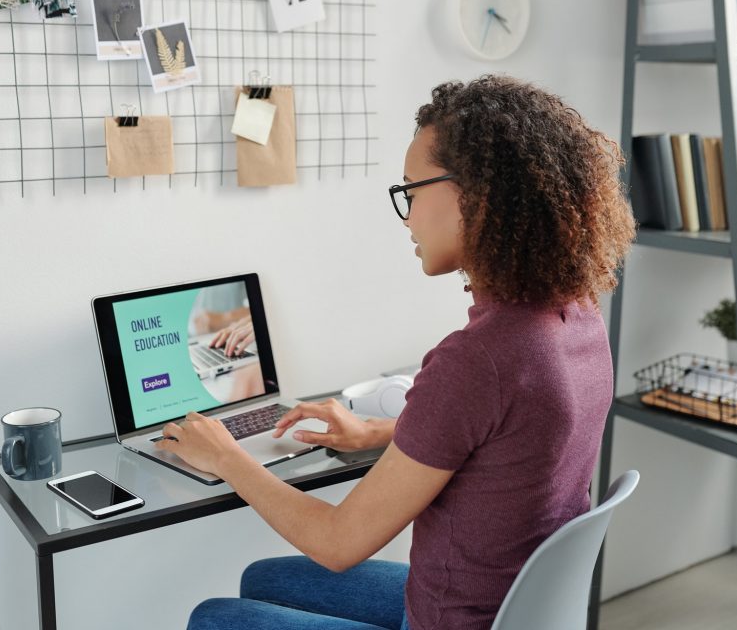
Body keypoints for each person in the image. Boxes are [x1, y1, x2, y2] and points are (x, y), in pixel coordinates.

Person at [162, 75, 636, 630]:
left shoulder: (477, 360)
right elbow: (506, 438)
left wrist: (226, 456)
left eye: (412, 190)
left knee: (214, 617)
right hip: (512, 610)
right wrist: (378, 434)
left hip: (451, 620)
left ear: (475, 195)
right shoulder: (578, 316)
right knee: (265, 580)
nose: (407, 215)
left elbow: (338, 543)